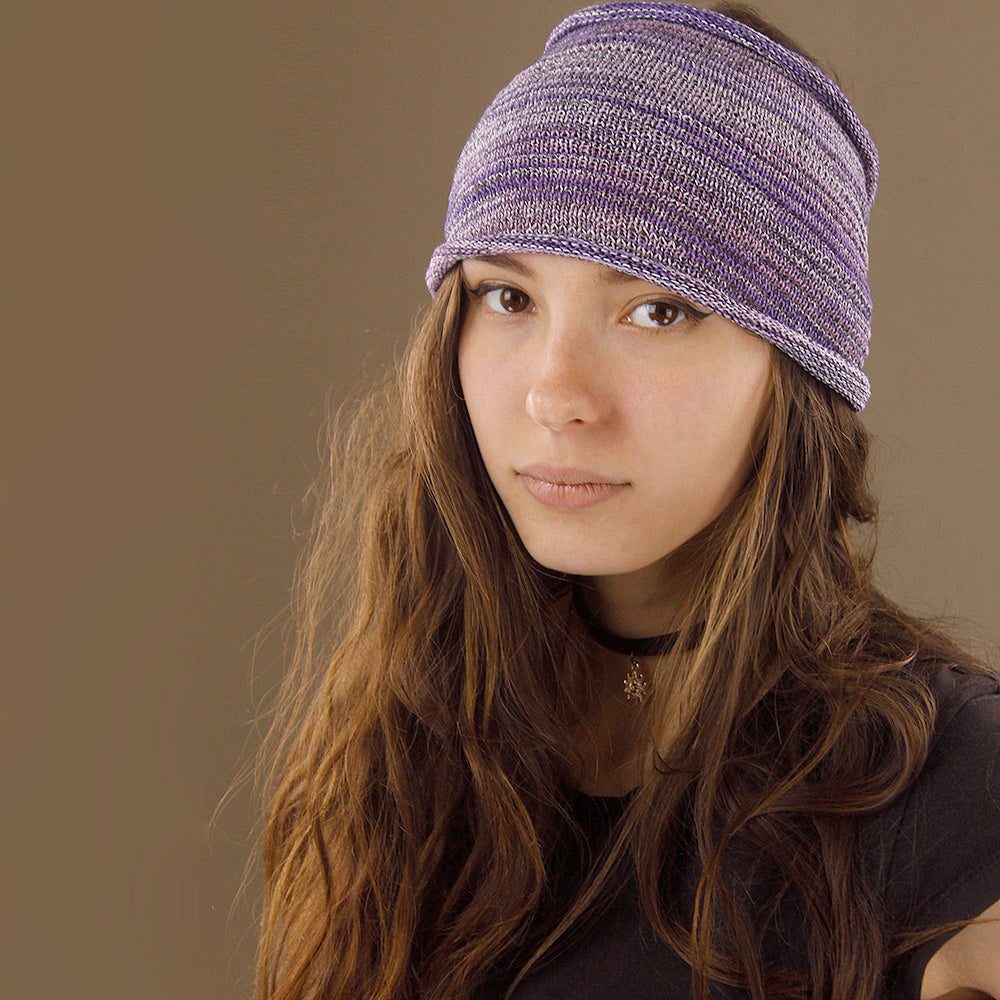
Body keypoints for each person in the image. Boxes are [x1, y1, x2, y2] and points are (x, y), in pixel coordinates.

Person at [255, 3, 1000, 998]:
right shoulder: (414, 744)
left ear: (797, 370)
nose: (555, 394)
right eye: (508, 298)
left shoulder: (951, 786)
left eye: (656, 310)